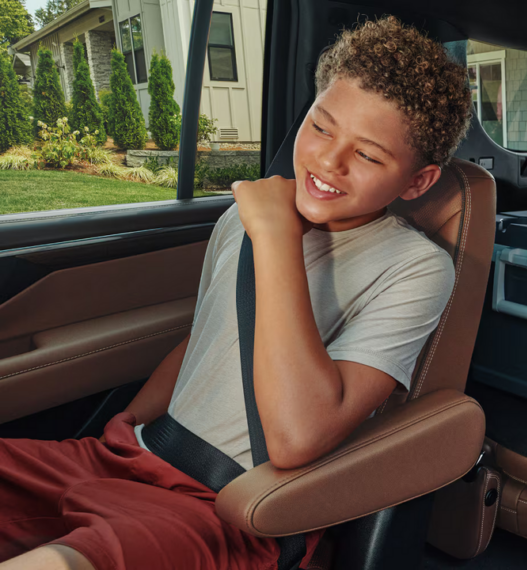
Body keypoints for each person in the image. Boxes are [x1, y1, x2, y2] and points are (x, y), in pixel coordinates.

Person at [0, 17, 471, 570]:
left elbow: (299, 437)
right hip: (126, 458)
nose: (328, 161)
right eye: (320, 127)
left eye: (368, 155)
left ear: (417, 182)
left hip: (230, 510)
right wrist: (122, 431)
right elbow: (207, 340)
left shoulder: (415, 268)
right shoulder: (238, 220)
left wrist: (274, 236)